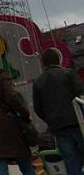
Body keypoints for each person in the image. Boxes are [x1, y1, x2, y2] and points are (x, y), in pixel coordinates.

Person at [32, 47, 84, 175]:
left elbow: (38, 108)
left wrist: (50, 118)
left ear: (43, 63)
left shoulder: (38, 82)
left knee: (71, 160)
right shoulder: (69, 74)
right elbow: (81, 95)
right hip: (77, 121)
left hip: (58, 127)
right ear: (58, 60)